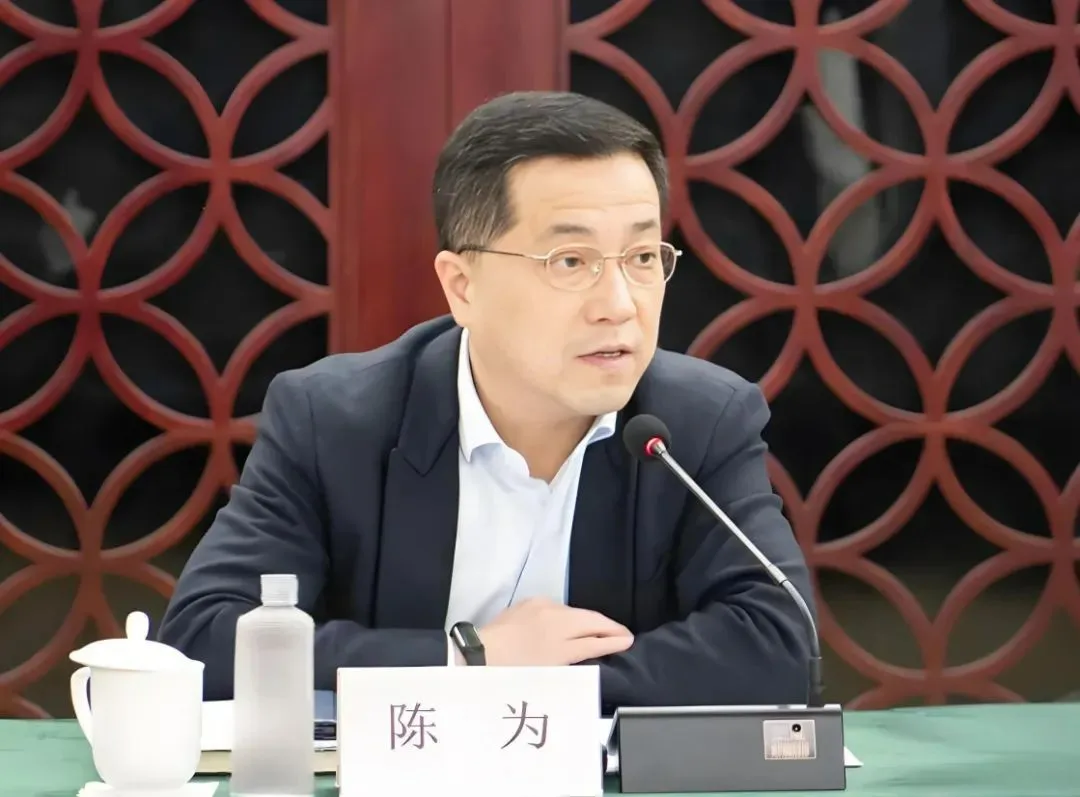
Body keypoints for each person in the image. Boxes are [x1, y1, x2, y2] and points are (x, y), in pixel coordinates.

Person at [158, 91, 815, 710]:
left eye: (642, 256)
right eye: (570, 261)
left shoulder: (699, 423)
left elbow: (780, 644)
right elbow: (203, 637)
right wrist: (467, 658)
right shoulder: (334, 420)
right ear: (462, 286)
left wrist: (534, 686)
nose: (619, 304)